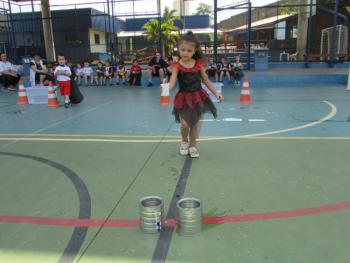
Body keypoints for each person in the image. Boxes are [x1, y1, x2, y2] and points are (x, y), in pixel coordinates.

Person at [168, 31, 224, 158]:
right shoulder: (176, 66)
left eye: (189, 50)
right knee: (184, 124)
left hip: (198, 97)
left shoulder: (198, 65)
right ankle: (184, 141)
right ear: (179, 50)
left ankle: (193, 146)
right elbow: (172, 82)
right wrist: (165, 89)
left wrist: (216, 92)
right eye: (182, 50)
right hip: (183, 98)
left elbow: (206, 80)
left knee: (194, 124)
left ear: (194, 51)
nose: (185, 53)